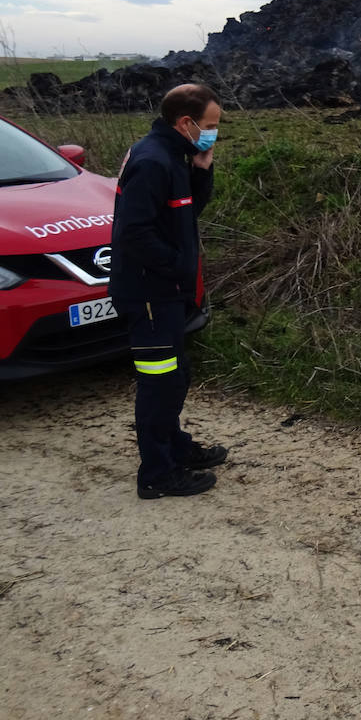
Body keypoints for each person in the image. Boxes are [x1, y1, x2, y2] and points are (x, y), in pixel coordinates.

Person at [110, 83, 230, 499]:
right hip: (149, 293)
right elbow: (134, 233)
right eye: (210, 126)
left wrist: (202, 167)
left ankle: (176, 448)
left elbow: (188, 211)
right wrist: (176, 266)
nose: (214, 132)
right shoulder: (152, 161)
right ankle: (157, 475)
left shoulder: (176, 156)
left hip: (166, 291)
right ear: (185, 122)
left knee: (175, 376)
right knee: (159, 383)